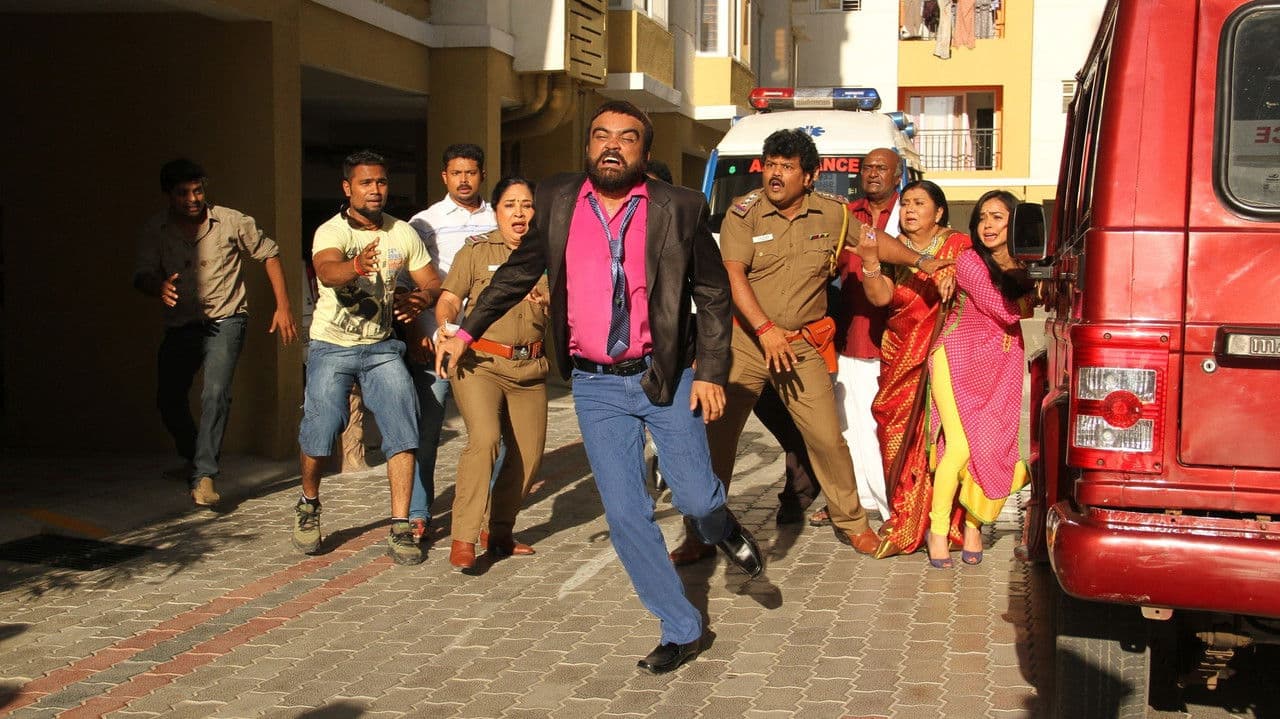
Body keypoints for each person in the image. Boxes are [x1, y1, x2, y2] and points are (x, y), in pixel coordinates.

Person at [435, 100, 762, 675]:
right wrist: (465, 332)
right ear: (587, 146)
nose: (613, 145)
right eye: (602, 135)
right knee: (627, 514)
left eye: (627, 137)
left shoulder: (681, 206)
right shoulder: (557, 199)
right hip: (595, 384)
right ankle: (681, 627)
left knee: (696, 498)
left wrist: (712, 372)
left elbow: (712, 293)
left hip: (666, 374)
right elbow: (516, 274)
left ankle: (719, 523)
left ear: (645, 151)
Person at [684, 130, 947, 562]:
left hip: (800, 347)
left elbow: (872, 241)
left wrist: (923, 261)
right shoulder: (744, 212)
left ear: (809, 177)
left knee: (827, 440)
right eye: (771, 165)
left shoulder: (832, 214)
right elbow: (733, 275)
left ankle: (854, 524)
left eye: (787, 167)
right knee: (717, 439)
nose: (775, 174)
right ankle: (701, 533)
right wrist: (765, 329)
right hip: (746, 343)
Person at [293, 150, 442, 566]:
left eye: (381, 182)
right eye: (365, 183)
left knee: (403, 428)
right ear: (348, 188)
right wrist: (355, 265)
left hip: (382, 348)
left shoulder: (402, 232)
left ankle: (400, 525)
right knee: (321, 428)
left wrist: (422, 297)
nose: (375, 190)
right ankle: (308, 502)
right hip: (331, 345)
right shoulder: (331, 231)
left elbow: (431, 281)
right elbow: (327, 271)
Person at [133, 158, 298, 507]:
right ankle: (194, 457)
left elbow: (269, 254)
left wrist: (283, 306)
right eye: (183, 193)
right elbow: (142, 274)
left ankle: (205, 475)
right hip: (182, 324)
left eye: (198, 190)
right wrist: (158, 286)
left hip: (226, 320)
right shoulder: (156, 229)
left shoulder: (231, 220)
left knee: (215, 392)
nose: (193, 199)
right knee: (168, 398)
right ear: (169, 195)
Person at [434, 177, 549, 571]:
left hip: (530, 367)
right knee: (484, 440)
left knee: (530, 455)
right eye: (510, 205)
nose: (519, 213)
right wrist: (446, 327)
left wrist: (548, 299)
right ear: (496, 211)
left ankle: (498, 532)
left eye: (527, 205)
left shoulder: (551, 252)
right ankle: (463, 538)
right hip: (480, 363)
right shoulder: (477, 250)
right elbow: (450, 298)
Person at [853, 179, 970, 559]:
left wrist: (954, 275)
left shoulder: (958, 246)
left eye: (919, 203)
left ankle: (944, 522)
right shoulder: (892, 247)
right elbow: (881, 298)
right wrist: (870, 262)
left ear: (939, 212)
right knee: (893, 429)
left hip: (945, 356)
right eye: (905, 204)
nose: (910, 210)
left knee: (944, 439)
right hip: (900, 352)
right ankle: (905, 518)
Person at [925, 190, 1034, 567]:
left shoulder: (1026, 265)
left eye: (997, 217)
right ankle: (938, 529)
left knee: (991, 448)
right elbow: (1006, 310)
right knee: (959, 447)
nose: (987, 225)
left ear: (1014, 224)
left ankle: (974, 527)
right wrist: (1029, 296)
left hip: (1000, 367)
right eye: (982, 217)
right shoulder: (970, 261)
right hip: (955, 359)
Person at [403, 143, 498, 543]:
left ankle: (486, 515)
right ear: (444, 176)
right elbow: (409, 285)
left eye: (470, 172)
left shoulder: (498, 217)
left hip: (488, 340)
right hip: (438, 339)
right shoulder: (424, 223)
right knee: (428, 429)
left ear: (481, 175)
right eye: (456, 173)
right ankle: (418, 512)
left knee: (491, 435)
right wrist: (419, 332)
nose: (463, 180)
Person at [828, 147, 901, 522]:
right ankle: (865, 501)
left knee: (885, 428)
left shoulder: (908, 213)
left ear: (897, 175)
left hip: (896, 340)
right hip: (850, 337)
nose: (872, 173)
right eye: (867, 167)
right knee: (852, 427)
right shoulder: (845, 216)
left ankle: (897, 508)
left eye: (881, 168)